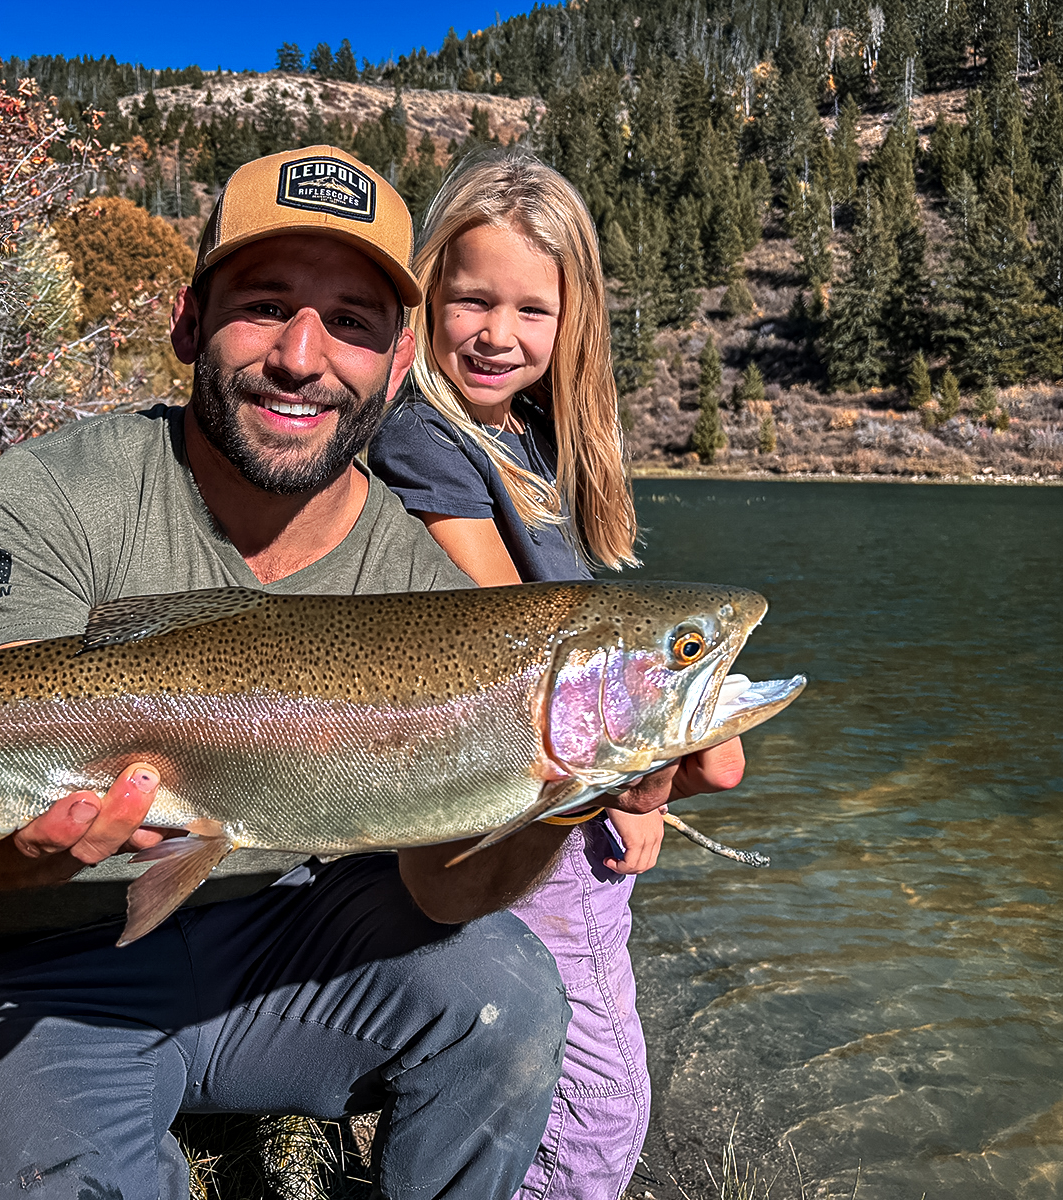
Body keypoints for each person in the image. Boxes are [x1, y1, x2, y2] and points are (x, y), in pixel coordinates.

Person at [0, 145, 745, 1199]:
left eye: (351, 322)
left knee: (508, 989)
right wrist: (22, 840)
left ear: (398, 356)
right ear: (190, 321)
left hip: (289, 948)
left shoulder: (421, 580)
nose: (302, 355)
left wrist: (564, 798)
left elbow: (442, 887)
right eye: (265, 304)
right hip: (42, 975)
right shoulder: (51, 496)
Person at [367, 151, 660, 1200]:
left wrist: (649, 780)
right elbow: (514, 640)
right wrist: (664, 753)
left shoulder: (527, 439)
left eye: (533, 310)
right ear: (427, 291)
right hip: (519, 819)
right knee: (595, 1119)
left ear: (573, 321)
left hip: (573, 817)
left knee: (582, 1087)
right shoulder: (424, 441)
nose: (500, 335)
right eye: (473, 299)